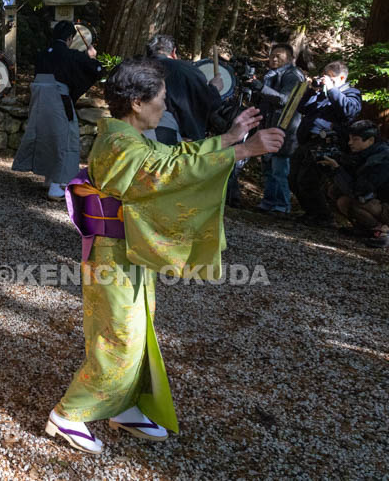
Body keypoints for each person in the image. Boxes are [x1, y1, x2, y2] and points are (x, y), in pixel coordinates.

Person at [47, 58, 284, 454]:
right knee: (118, 335)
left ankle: (123, 404)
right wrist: (243, 151)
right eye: (161, 99)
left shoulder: (127, 136)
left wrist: (229, 137)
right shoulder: (121, 143)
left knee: (138, 328)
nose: (166, 107)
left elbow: (174, 157)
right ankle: (71, 412)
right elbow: (167, 172)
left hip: (129, 250)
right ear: (137, 103)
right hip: (114, 253)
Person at [13, 20, 103, 199]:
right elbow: (97, 70)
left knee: (44, 135)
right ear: (70, 38)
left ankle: (49, 178)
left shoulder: (42, 54)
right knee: (65, 137)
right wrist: (92, 58)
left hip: (38, 100)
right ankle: (56, 185)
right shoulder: (69, 54)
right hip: (58, 99)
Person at [289, 60, 363, 226]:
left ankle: (323, 216)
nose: (326, 81)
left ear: (342, 77)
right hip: (308, 141)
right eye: (325, 77)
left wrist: (331, 89)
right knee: (293, 178)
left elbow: (349, 111)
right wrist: (312, 91)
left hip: (327, 144)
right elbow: (302, 108)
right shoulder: (322, 94)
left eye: (330, 77)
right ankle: (311, 213)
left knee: (308, 180)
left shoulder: (352, 93)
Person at [252, 43, 306, 214]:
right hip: (269, 124)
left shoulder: (293, 75)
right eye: (272, 55)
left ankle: (282, 206)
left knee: (279, 168)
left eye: (279, 56)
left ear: (290, 59)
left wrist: (260, 87)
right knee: (268, 167)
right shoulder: (272, 75)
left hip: (285, 127)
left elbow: (285, 100)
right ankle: (268, 202)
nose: (274, 59)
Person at [142, 34, 222, 144]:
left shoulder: (134, 68)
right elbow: (208, 103)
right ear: (173, 52)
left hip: (136, 139)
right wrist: (214, 88)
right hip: (181, 143)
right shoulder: (188, 70)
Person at [322, 120, 389, 247]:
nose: (350, 143)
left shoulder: (381, 159)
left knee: (358, 202)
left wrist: (337, 169)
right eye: (350, 138)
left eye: (355, 139)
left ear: (370, 140)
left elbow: (358, 191)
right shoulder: (365, 154)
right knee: (335, 191)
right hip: (381, 202)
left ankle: (382, 232)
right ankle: (365, 229)